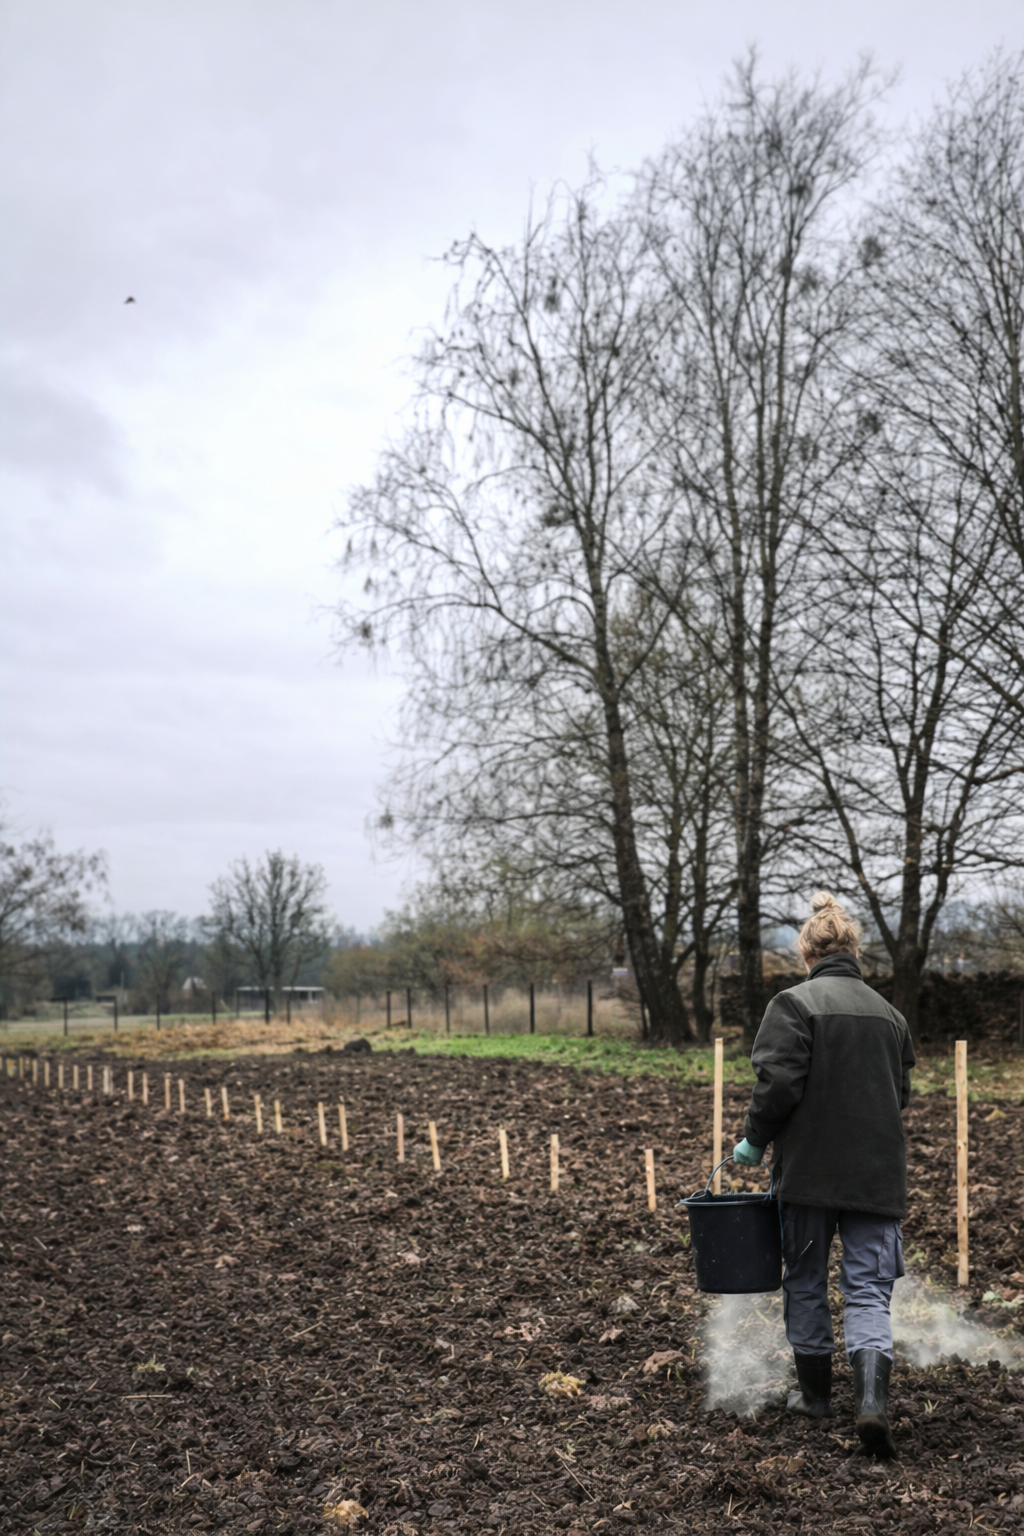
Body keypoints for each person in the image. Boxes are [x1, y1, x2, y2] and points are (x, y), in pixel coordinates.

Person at [732, 892, 915, 1457]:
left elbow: (778, 1086)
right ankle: (870, 1404)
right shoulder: (891, 1016)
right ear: (853, 951)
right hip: (876, 1179)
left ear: (806, 953)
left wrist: (754, 1140)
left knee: (806, 1279)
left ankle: (815, 1399)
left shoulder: (792, 1005)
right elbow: (900, 1096)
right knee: (867, 1290)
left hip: (809, 1176)